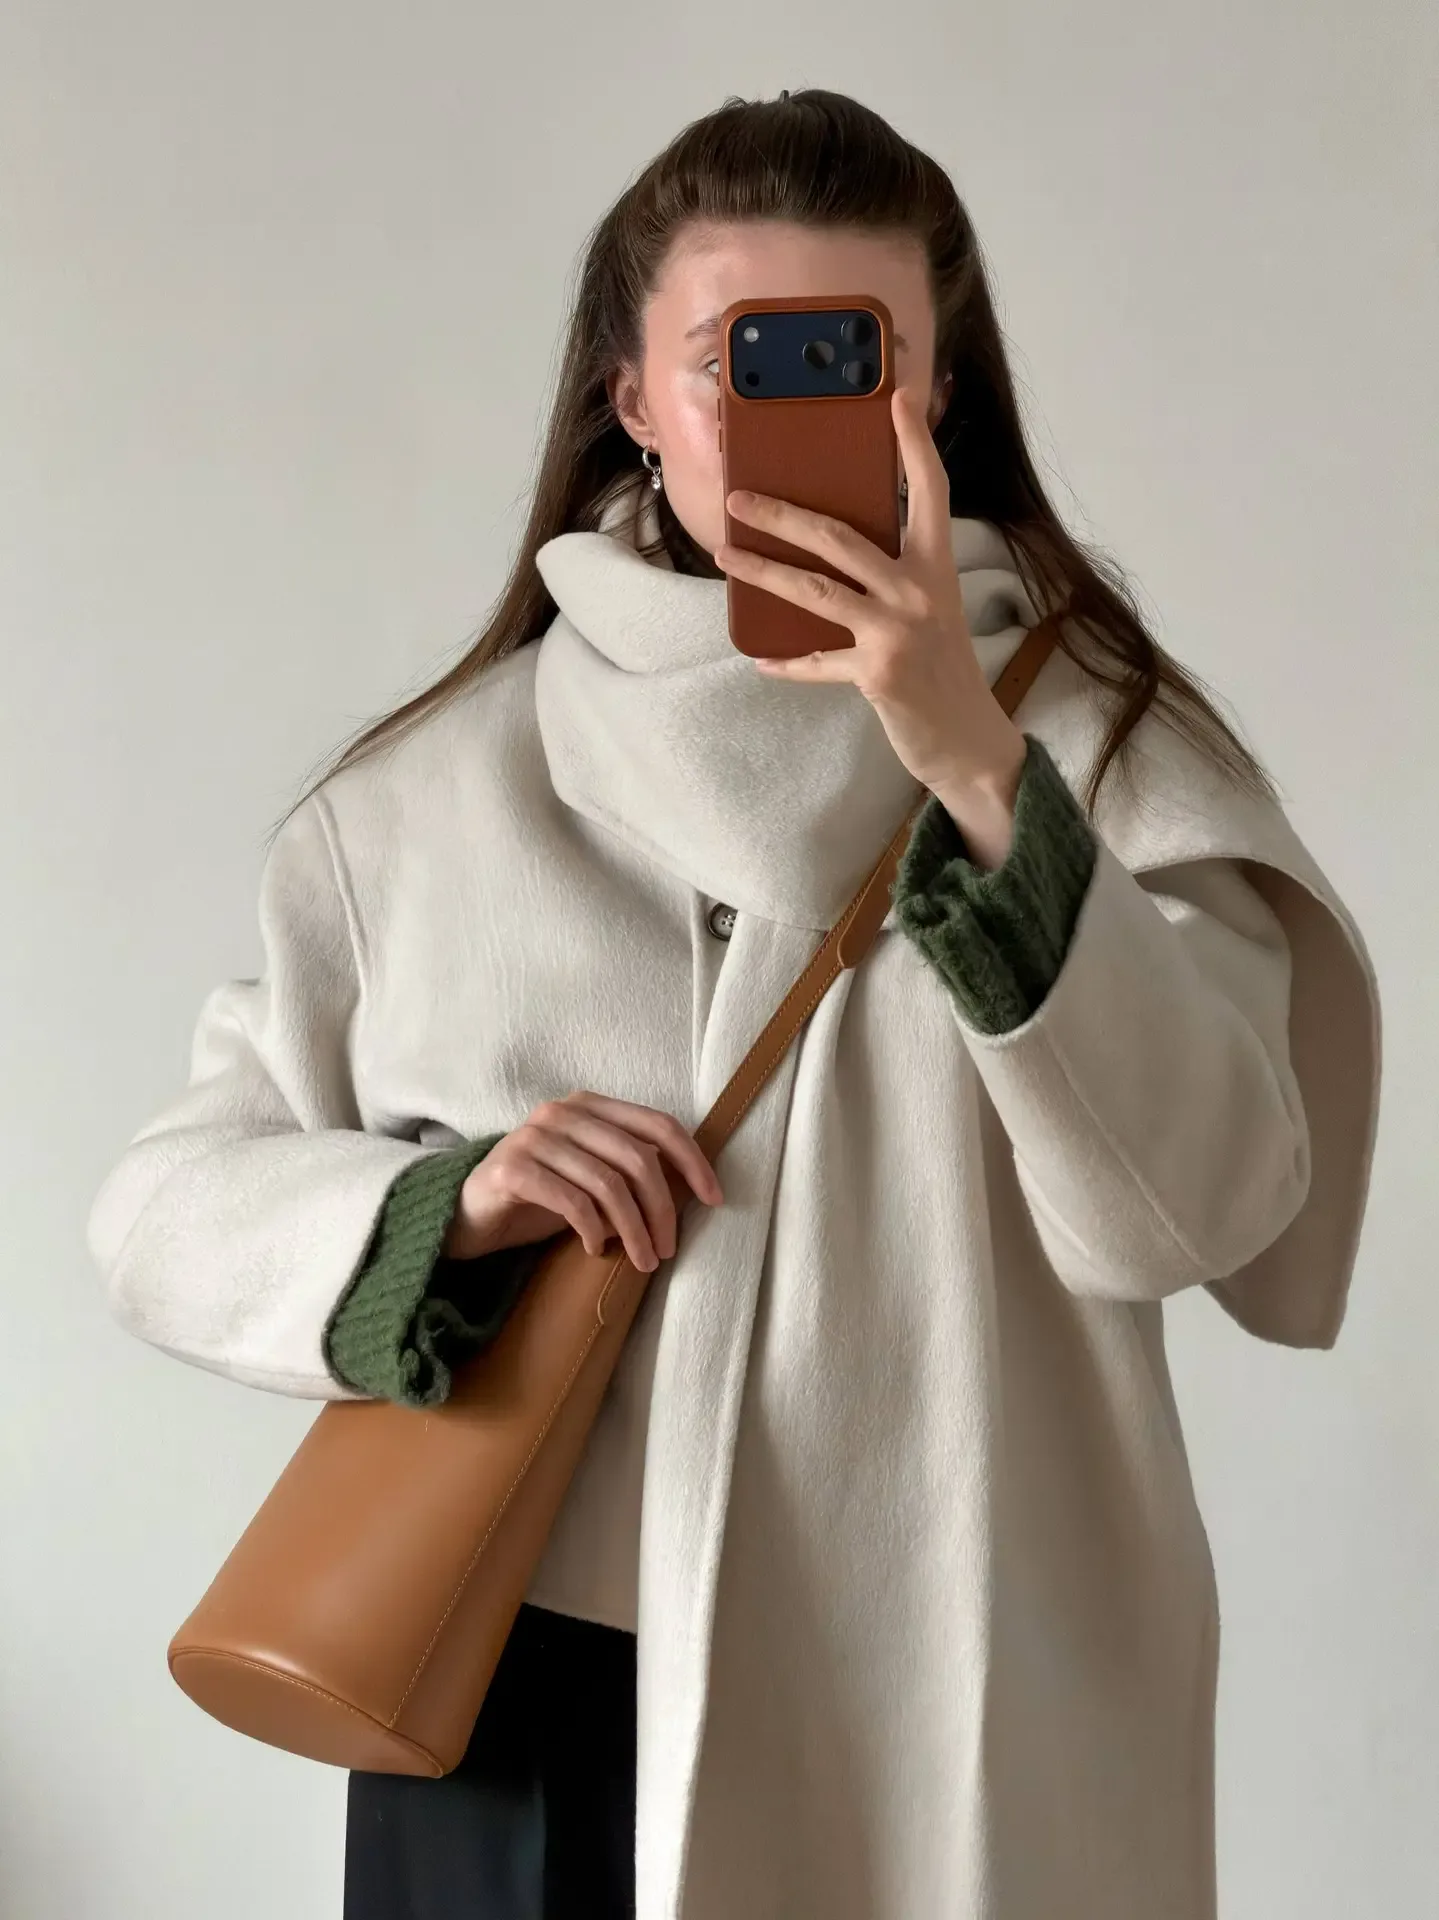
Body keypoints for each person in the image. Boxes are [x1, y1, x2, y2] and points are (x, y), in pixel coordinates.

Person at [86, 87, 1381, 1920]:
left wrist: (976, 766)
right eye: (732, 362)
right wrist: (445, 1205)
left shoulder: (1103, 758)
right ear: (631, 395)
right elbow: (157, 1215)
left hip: (952, 1692)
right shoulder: (430, 802)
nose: (794, 417)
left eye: (856, 360)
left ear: (935, 392)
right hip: (519, 1686)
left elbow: (1200, 1207)